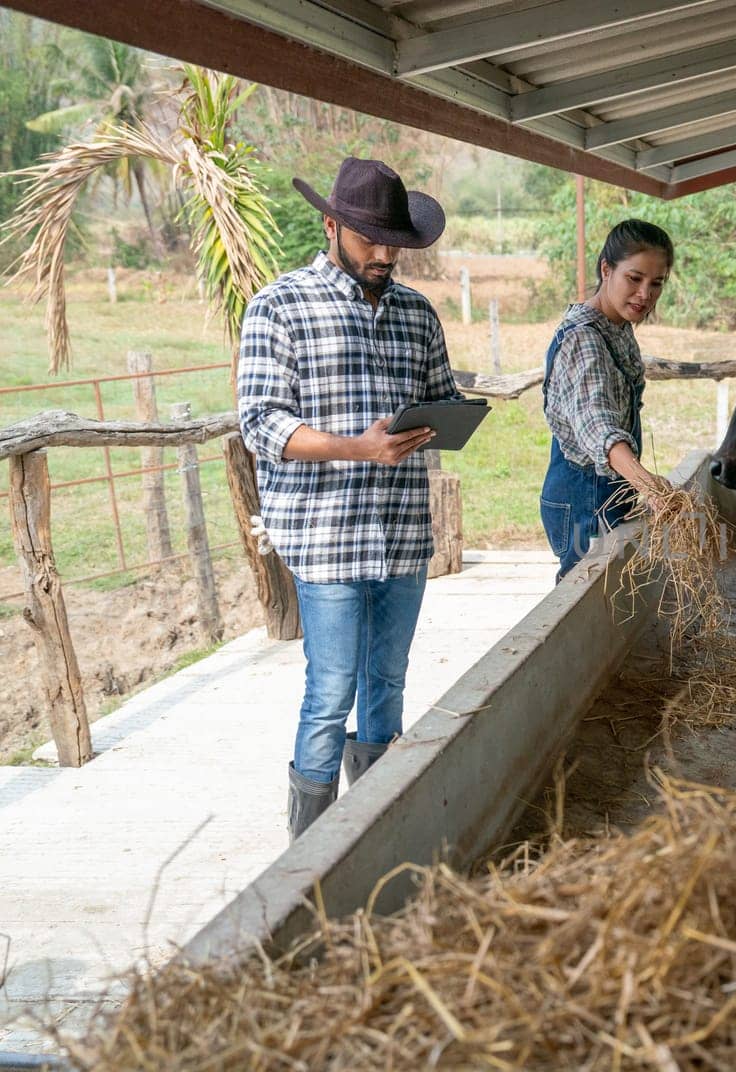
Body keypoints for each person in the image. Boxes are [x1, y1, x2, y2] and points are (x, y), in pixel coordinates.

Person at [237, 157, 460, 838]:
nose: (385, 254)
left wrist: (443, 419)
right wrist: (356, 447)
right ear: (330, 226)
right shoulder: (278, 306)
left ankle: (374, 837)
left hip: (401, 534)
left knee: (387, 687)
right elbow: (261, 424)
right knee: (331, 695)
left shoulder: (418, 315)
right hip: (325, 538)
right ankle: (309, 857)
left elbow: (443, 398)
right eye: (371, 240)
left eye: (394, 242)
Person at [540, 219, 674, 578]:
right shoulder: (583, 339)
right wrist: (646, 483)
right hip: (583, 497)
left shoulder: (616, 328)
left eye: (656, 283)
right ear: (606, 269)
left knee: (609, 588)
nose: (645, 294)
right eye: (634, 278)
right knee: (582, 594)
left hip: (609, 491)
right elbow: (597, 426)